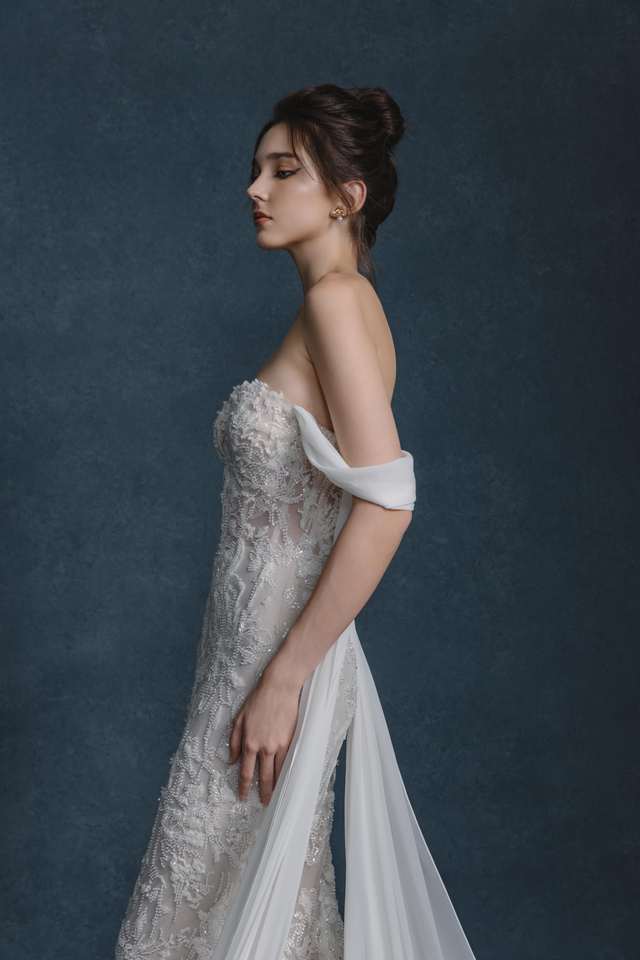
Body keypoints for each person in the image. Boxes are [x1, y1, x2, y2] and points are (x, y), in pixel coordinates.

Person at [115, 83, 477, 960]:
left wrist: (285, 678)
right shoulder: (340, 303)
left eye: (284, 171)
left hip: (278, 663)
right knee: (242, 918)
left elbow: (388, 503)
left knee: (185, 927)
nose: (255, 188)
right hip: (250, 656)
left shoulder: (337, 303)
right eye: (256, 169)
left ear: (347, 196)